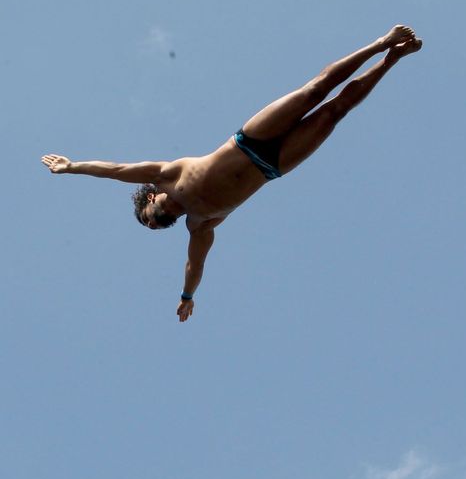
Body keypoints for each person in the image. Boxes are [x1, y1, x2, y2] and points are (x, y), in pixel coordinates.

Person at [42, 25, 422, 322]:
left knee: (315, 90)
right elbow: (195, 265)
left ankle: (380, 42)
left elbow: (117, 170)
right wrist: (187, 296)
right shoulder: (200, 225)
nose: (164, 218)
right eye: (162, 225)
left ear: (151, 197)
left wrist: (73, 166)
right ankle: (392, 60)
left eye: (154, 216)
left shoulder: (166, 174)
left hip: (251, 139)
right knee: (334, 112)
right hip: (276, 164)